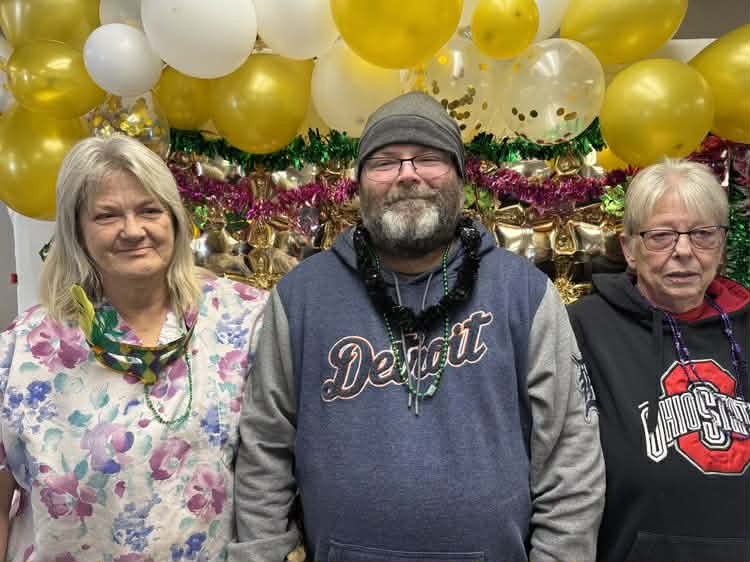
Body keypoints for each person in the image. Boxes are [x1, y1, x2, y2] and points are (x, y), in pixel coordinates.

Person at [229, 91, 605, 562]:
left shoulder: (524, 294)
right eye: (385, 162)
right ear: (358, 184)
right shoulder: (301, 297)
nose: (407, 174)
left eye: (428, 158)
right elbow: (264, 450)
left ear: (460, 178)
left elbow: (571, 455)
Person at [0, 135, 267, 561]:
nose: (132, 230)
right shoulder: (25, 349)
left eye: (149, 210)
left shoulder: (244, 320)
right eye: (106, 215)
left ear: (174, 219)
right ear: (76, 231)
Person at [568, 158, 750, 561]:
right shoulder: (581, 330)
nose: (683, 251)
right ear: (629, 249)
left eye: (702, 234)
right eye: (662, 236)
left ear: (721, 245)